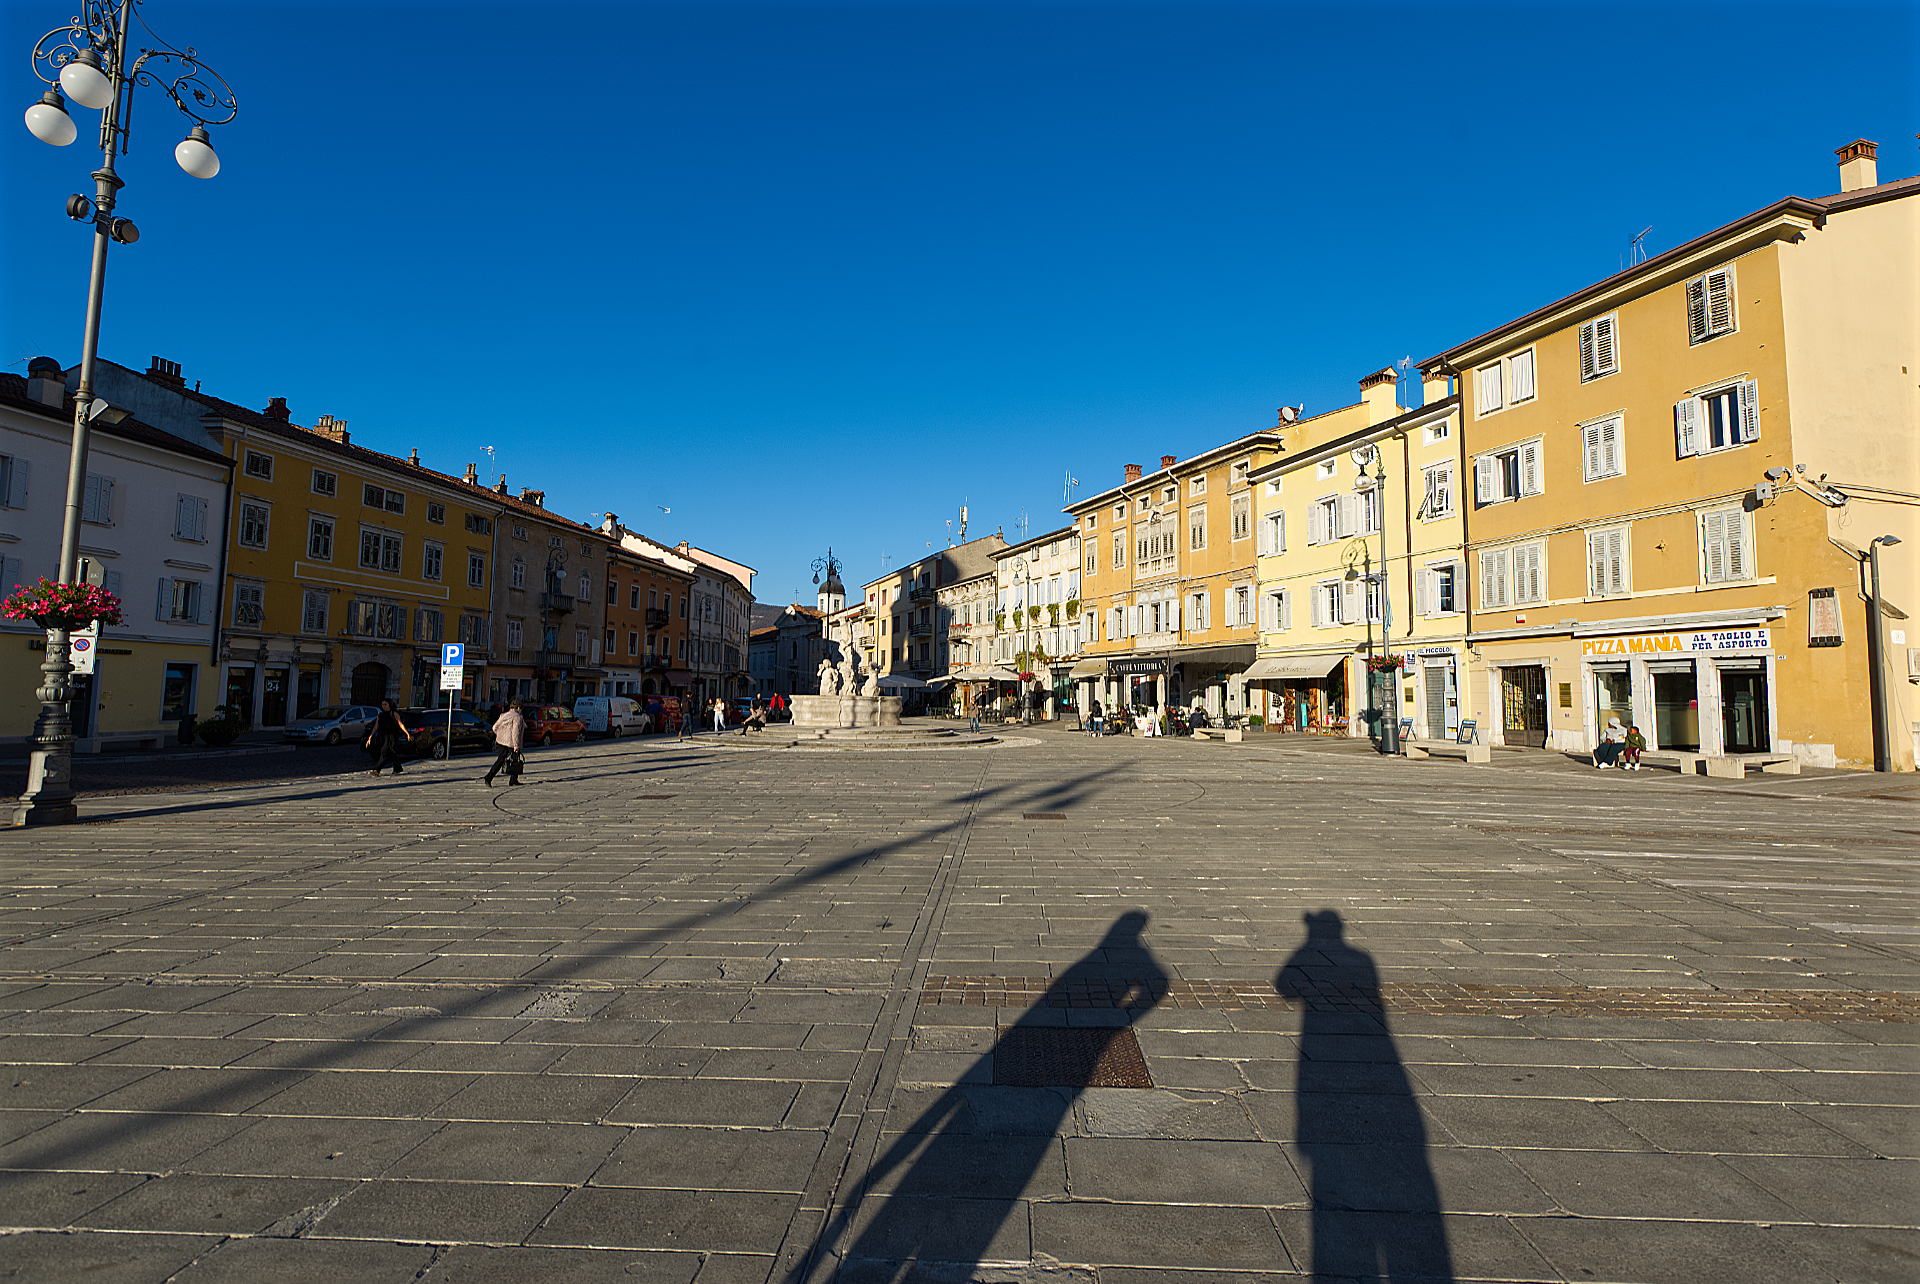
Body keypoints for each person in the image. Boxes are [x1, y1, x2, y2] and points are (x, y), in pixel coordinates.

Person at [484, 700, 526, 787]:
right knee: (515, 760)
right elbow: (516, 732)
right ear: (518, 708)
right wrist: (516, 745)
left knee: (500, 760)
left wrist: (499, 735)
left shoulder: (504, 715)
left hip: (501, 741)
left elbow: (494, 727)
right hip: (511, 742)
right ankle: (513, 780)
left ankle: (489, 777)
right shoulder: (518, 716)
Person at [365, 699, 411, 776]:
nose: (384, 706)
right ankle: (398, 768)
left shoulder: (393, 713)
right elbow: (376, 727)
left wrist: (407, 733)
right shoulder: (380, 715)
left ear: (389, 705)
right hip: (383, 736)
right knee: (391, 753)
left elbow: (400, 724)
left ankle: (377, 770)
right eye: (382, 704)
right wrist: (370, 737)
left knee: (385, 751)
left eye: (385, 704)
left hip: (392, 736)